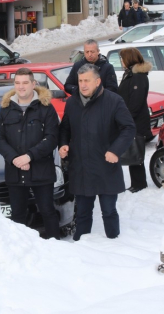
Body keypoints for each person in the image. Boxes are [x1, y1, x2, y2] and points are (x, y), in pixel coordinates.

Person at [59, 64, 136, 241]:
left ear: (98, 81)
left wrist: (115, 150)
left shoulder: (113, 101)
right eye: (80, 81)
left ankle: (114, 242)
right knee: (83, 213)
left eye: (87, 80)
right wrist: (63, 144)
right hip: (81, 168)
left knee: (109, 211)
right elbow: (65, 128)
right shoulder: (72, 102)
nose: (83, 85)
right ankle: (83, 246)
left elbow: (128, 128)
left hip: (106, 167)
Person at [0, 68, 60, 240]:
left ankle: (56, 248)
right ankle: (20, 249)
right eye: (17, 83)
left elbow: (52, 138)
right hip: (15, 172)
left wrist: (29, 156)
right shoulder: (6, 109)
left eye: (25, 83)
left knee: (47, 211)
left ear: (33, 84)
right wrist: (15, 158)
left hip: (41, 171)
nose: (21, 87)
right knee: (17, 215)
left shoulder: (46, 108)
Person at [117, 48, 153, 193]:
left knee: (136, 152)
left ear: (129, 59)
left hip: (136, 122)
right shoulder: (131, 74)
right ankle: (136, 183)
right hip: (131, 121)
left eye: (123, 58)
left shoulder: (138, 77)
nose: (121, 62)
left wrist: (125, 119)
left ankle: (139, 184)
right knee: (133, 152)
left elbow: (136, 103)